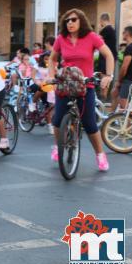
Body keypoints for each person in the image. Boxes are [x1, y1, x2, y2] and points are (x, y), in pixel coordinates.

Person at [48, 9, 114, 171]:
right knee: (57, 120)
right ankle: (58, 146)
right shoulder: (61, 39)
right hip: (65, 83)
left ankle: (100, 155)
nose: (69, 23)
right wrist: (51, 77)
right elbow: (52, 59)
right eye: (67, 21)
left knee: (89, 123)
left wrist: (109, 75)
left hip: (86, 85)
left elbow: (109, 55)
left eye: (73, 20)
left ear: (81, 21)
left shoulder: (91, 37)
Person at [112, 26, 132, 110]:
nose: (122, 34)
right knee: (114, 93)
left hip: (129, 80)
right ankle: (111, 119)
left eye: (123, 32)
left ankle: (131, 122)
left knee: (124, 104)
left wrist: (119, 81)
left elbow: (124, 67)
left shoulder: (130, 48)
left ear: (127, 34)